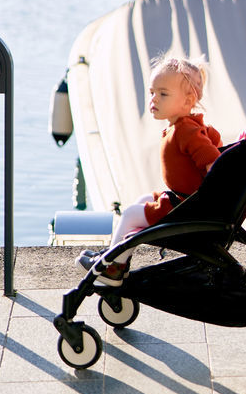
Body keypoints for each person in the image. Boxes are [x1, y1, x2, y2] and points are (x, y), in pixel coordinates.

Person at [78, 54, 221, 284]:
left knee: (130, 214)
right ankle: (116, 257)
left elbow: (214, 163)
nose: (154, 99)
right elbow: (214, 143)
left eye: (163, 94)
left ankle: (112, 266)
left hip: (185, 207)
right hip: (183, 200)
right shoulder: (190, 126)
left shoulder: (186, 131)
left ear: (187, 101)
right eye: (152, 92)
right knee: (143, 199)